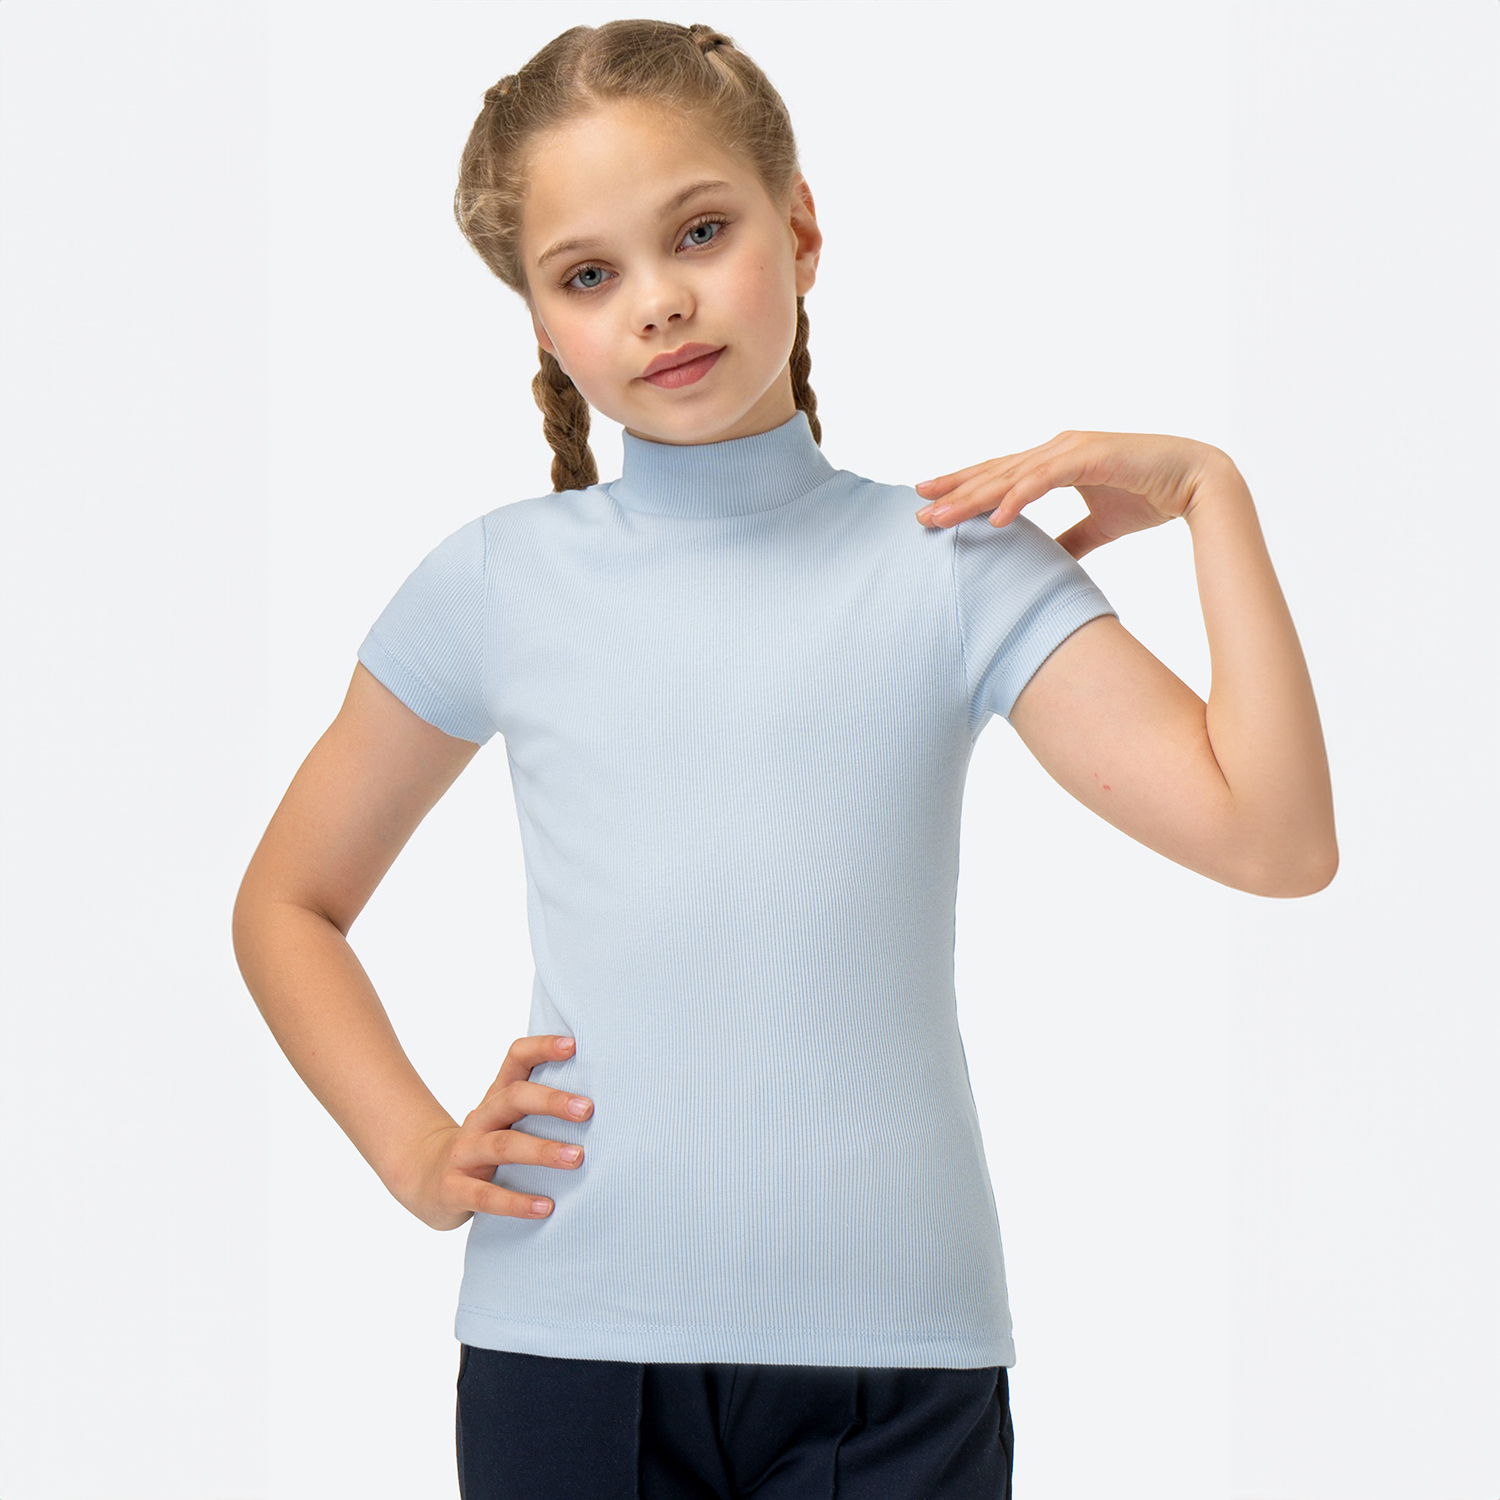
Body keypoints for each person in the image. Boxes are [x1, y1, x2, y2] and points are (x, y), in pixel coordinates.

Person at [231, 18, 1338, 1499]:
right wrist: (417, 1154)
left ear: (800, 227)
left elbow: (1276, 840)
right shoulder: (495, 582)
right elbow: (287, 903)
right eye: (588, 275)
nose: (660, 302)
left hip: (901, 1358)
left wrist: (1211, 492)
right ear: (542, 322)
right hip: (568, 1341)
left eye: (700, 231)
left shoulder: (957, 562)